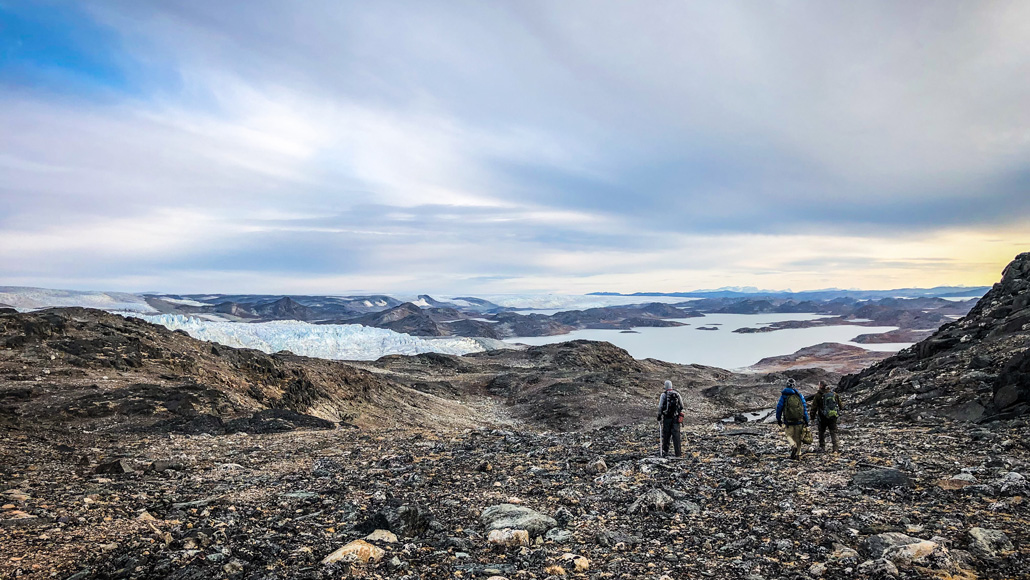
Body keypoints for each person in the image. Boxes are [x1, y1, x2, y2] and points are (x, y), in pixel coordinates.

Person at [775, 378, 809, 460]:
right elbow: (804, 408)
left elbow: (779, 408)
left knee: (788, 435)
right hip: (799, 421)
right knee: (798, 438)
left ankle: (793, 445)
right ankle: (798, 455)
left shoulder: (784, 396)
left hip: (789, 421)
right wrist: (806, 420)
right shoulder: (799, 395)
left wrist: (778, 419)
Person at [810, 380, 843, 453]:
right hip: (833, 417)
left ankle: (822, 447)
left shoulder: (818, 395)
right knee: (833, 432)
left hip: (822, 417)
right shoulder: (834, 394)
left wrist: (812, 417)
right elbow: (840, 405)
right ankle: (835, 448)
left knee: (821, 432)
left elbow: (814, 407)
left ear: (821, 386)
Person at [656, 380, 683, 457]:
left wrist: (659, 416)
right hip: (676, 418)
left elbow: (660, 407)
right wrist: (678, 412)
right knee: (676, 436)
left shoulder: (663, 395)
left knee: (666, 435)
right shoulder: (677, 394)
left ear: (665, 386)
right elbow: (682, 406)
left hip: (667, 418)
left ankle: (665, 451)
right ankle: (678, 453)